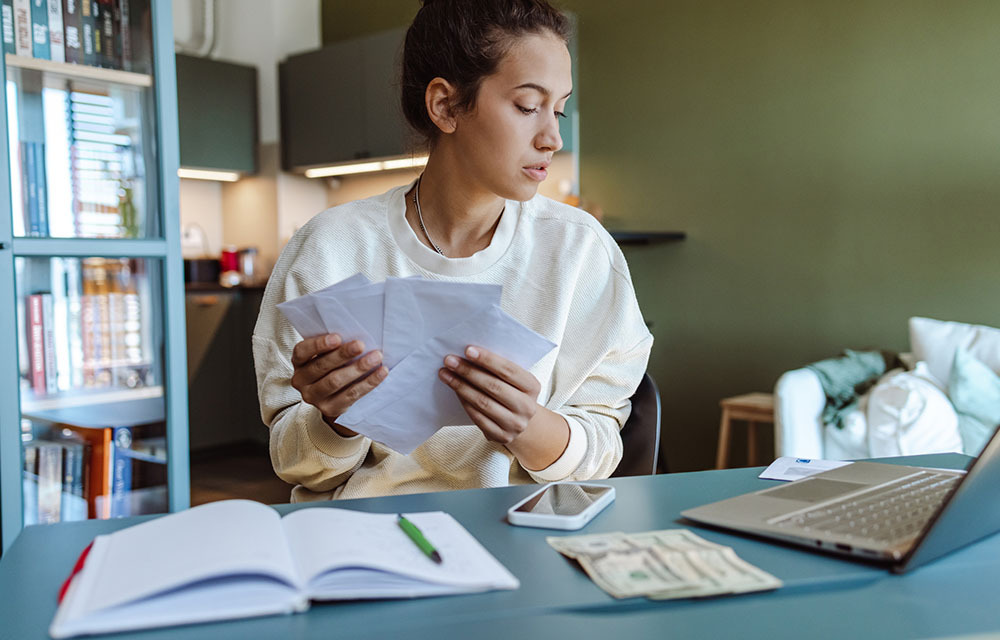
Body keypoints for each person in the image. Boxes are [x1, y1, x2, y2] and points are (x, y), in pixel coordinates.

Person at [253, 0, 653, 502]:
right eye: (528, 106)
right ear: (444, 106)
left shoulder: (578, 250)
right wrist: (335, 420)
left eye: (559, 108)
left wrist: (528, 426)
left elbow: (603, 447)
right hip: (363, 539)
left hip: (519, 534)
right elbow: (295, 465)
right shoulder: (328, 248)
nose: (552, 136)